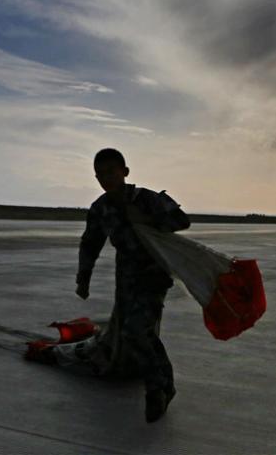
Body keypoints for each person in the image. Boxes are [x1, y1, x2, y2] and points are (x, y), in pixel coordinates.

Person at [75, 147, 191, 423]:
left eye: (111, 172)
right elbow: (91, 242)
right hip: (125, 277)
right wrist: (84, 276)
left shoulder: (146, 200)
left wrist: (148, 219)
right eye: (100, 175)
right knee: (140, 332)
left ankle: (156, 390)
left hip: (152, 275)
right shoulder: (100, 208)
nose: (106, 179)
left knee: (135, 332)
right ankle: (165, 383)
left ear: (125, 172)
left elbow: (182, 221)